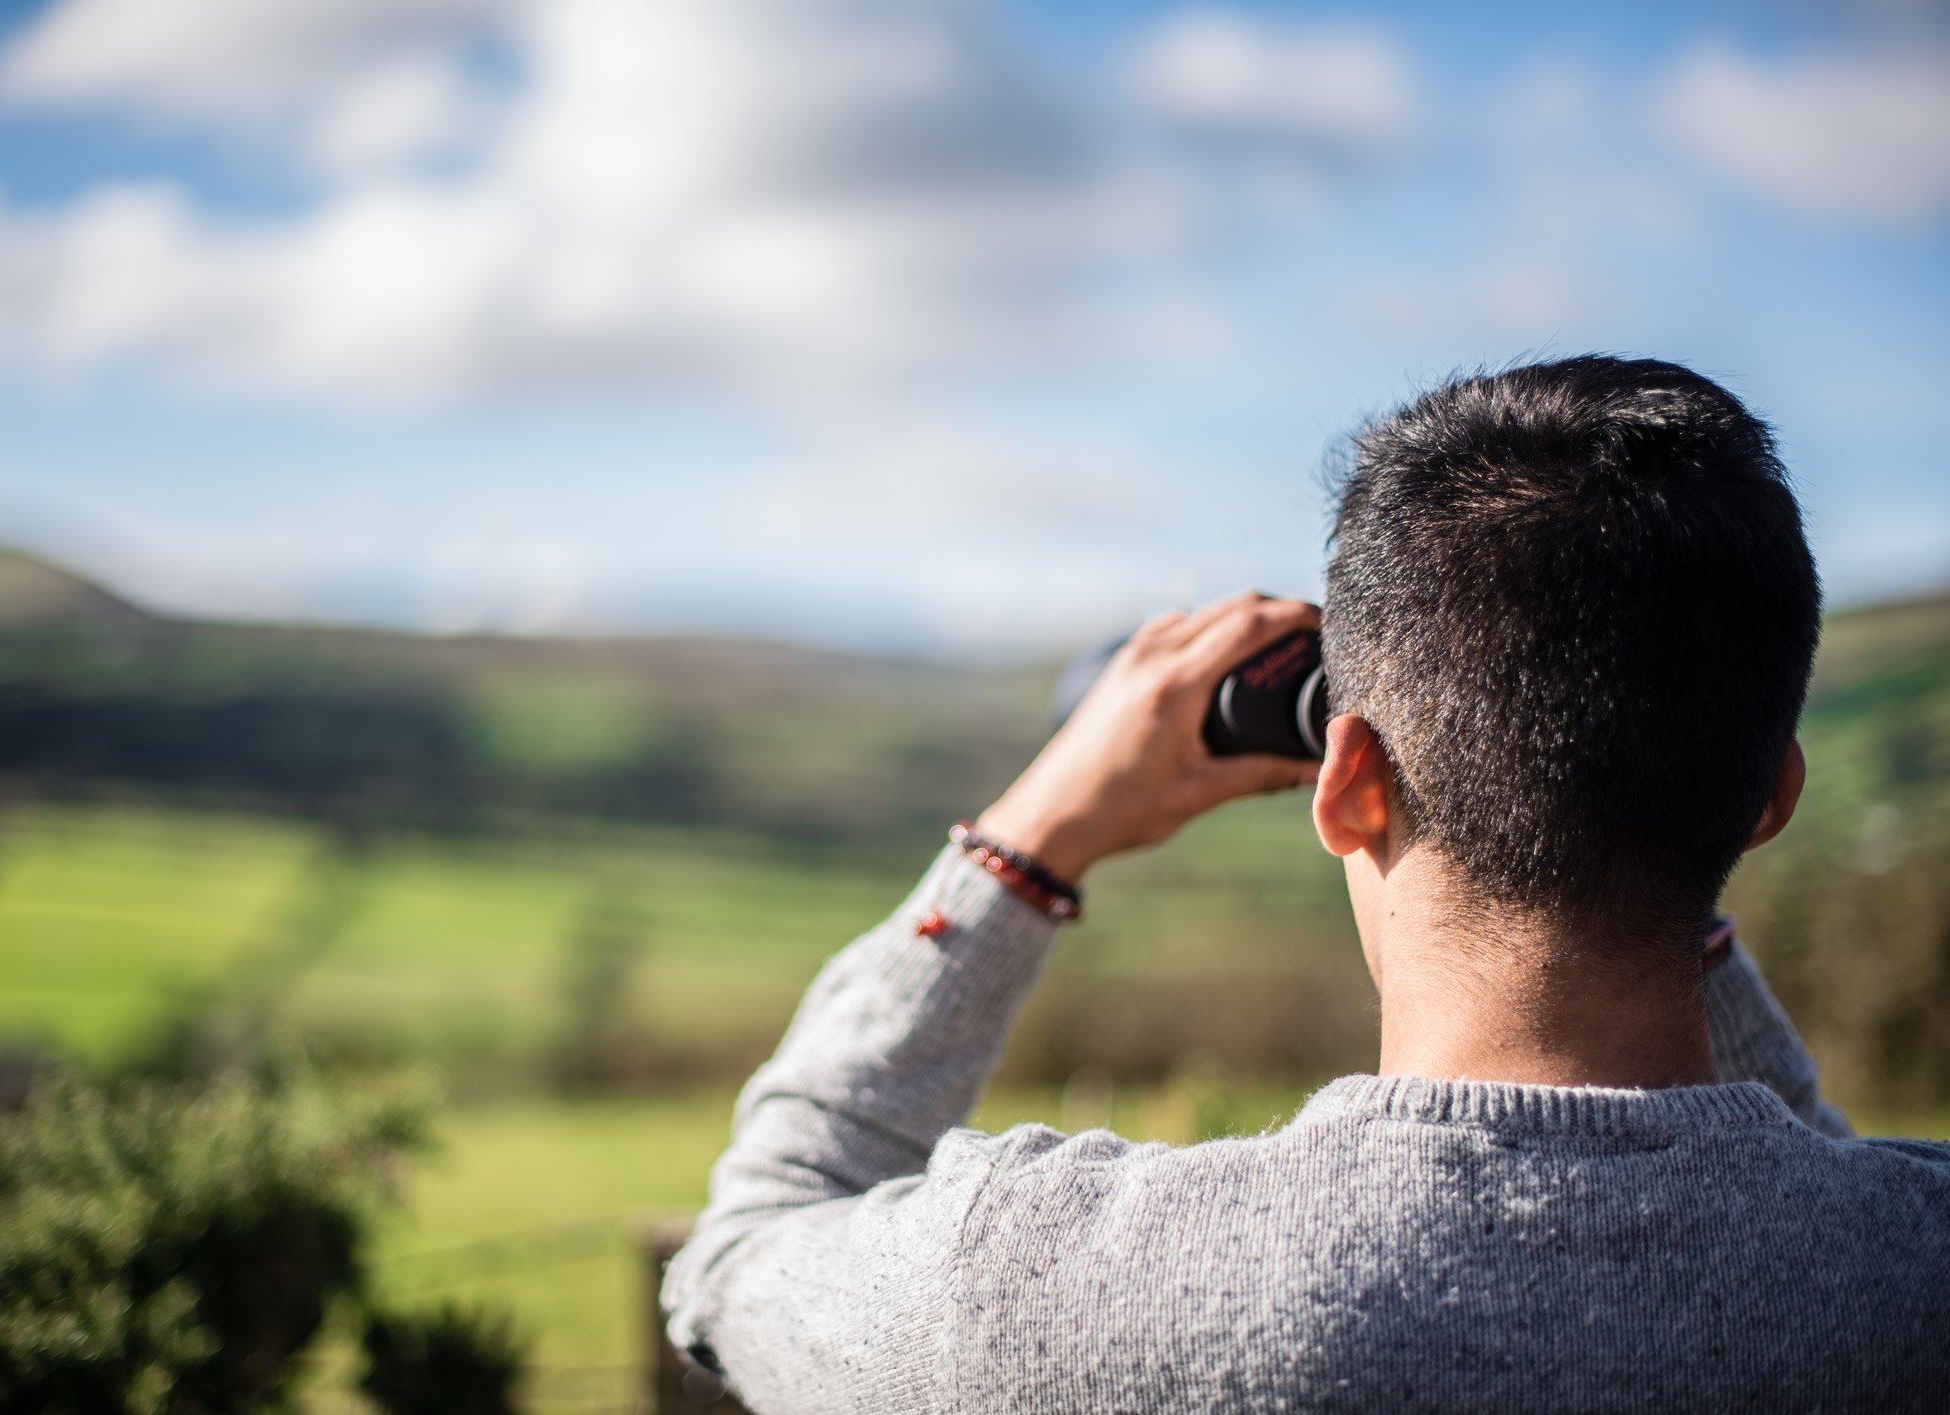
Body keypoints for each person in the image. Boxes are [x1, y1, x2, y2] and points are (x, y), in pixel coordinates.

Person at [659, 356, 1950, 1412]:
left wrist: (1019, 849)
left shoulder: (1038, 1288)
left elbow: (746, 1251)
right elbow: (1812, 1198)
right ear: (1772, 797)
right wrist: (1669, 807)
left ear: (1348, 784)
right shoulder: (1909, 1274)